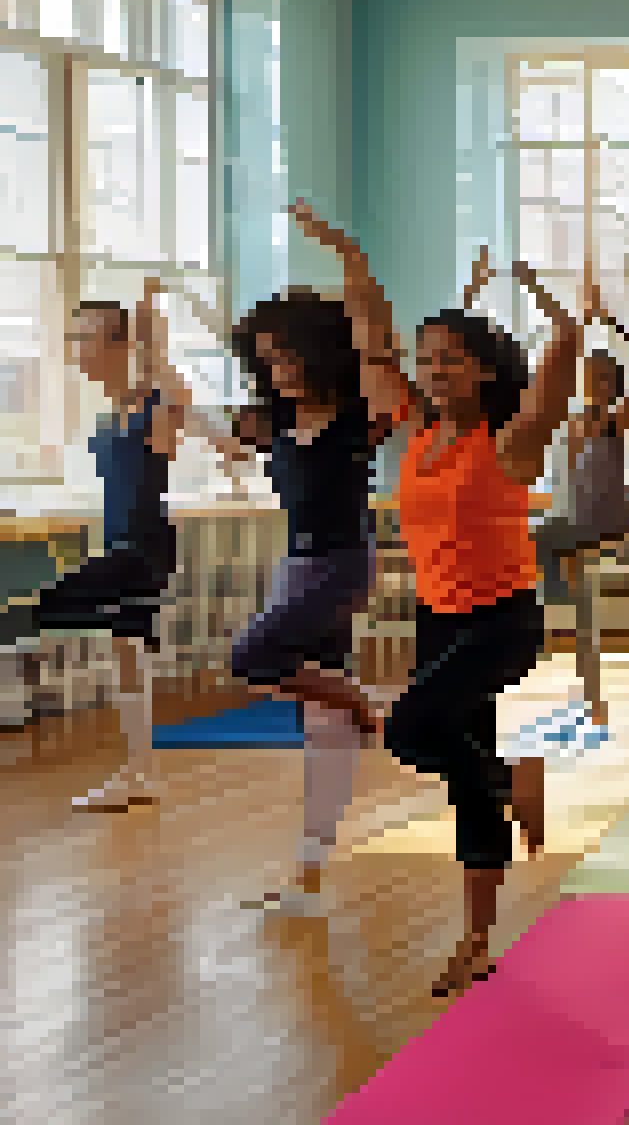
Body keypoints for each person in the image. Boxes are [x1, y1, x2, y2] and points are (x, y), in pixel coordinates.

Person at [352, 223, 581, 996]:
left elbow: (554, 387)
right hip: (437, 618)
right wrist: (354, 260)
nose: (432, 370)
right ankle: (477, 940)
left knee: (412, 727)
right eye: (426, 361)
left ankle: (515, 780)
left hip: (503, 621)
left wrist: (564, 324)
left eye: (449, 359)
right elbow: (369, 343)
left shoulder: (510, 441)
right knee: (459, 780)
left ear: (483, 371)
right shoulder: (415, 434)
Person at [219, 231, 408, 914]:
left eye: (291, 354)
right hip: (294, 571)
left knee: (251, 656)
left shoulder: (358, 420)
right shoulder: (270, 423)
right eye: (268, 360)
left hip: (339, 567)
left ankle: (367, 700)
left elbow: (376, 342)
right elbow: (210, 423)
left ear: (321, 350)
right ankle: (308, 878)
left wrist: (353, 258)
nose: (282, 370)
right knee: (320, 731)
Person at [15, 281, 222, 811]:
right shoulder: (115, 410)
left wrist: (153, 332)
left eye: (86, 336)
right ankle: (140, 772)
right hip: (125, 543)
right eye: (75, 335)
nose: (77, 348)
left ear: (116, 344)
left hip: (141, 548)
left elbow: (191, 410)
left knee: (27, 612)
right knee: (126, 653)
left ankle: (138, 771)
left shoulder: (154, 405)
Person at [520, 270, 629, 843]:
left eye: (602, 378)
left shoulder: (613, 420)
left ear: (612, 385)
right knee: (536, 539)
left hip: (600, 519)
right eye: (588, 376)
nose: (593, 383)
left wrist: (608, 320)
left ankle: (547, 618)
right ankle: (574, 656)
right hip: (568, 519)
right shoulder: (571, 421)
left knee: (544, 543)